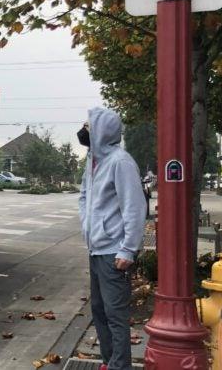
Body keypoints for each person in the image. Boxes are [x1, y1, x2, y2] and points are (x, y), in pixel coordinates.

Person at [77, 107, 146, 370]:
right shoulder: (93, 161)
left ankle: (120, 366)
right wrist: (87, 225)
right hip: (96, 249)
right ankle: (110, 362)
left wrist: (128, 249)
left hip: (114, 252)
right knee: (100, 312)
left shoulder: (120, 161)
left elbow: (134, 207)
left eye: (88, 126)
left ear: (102, 130)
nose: (84, 131)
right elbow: (84, 196)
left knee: (116, 316)